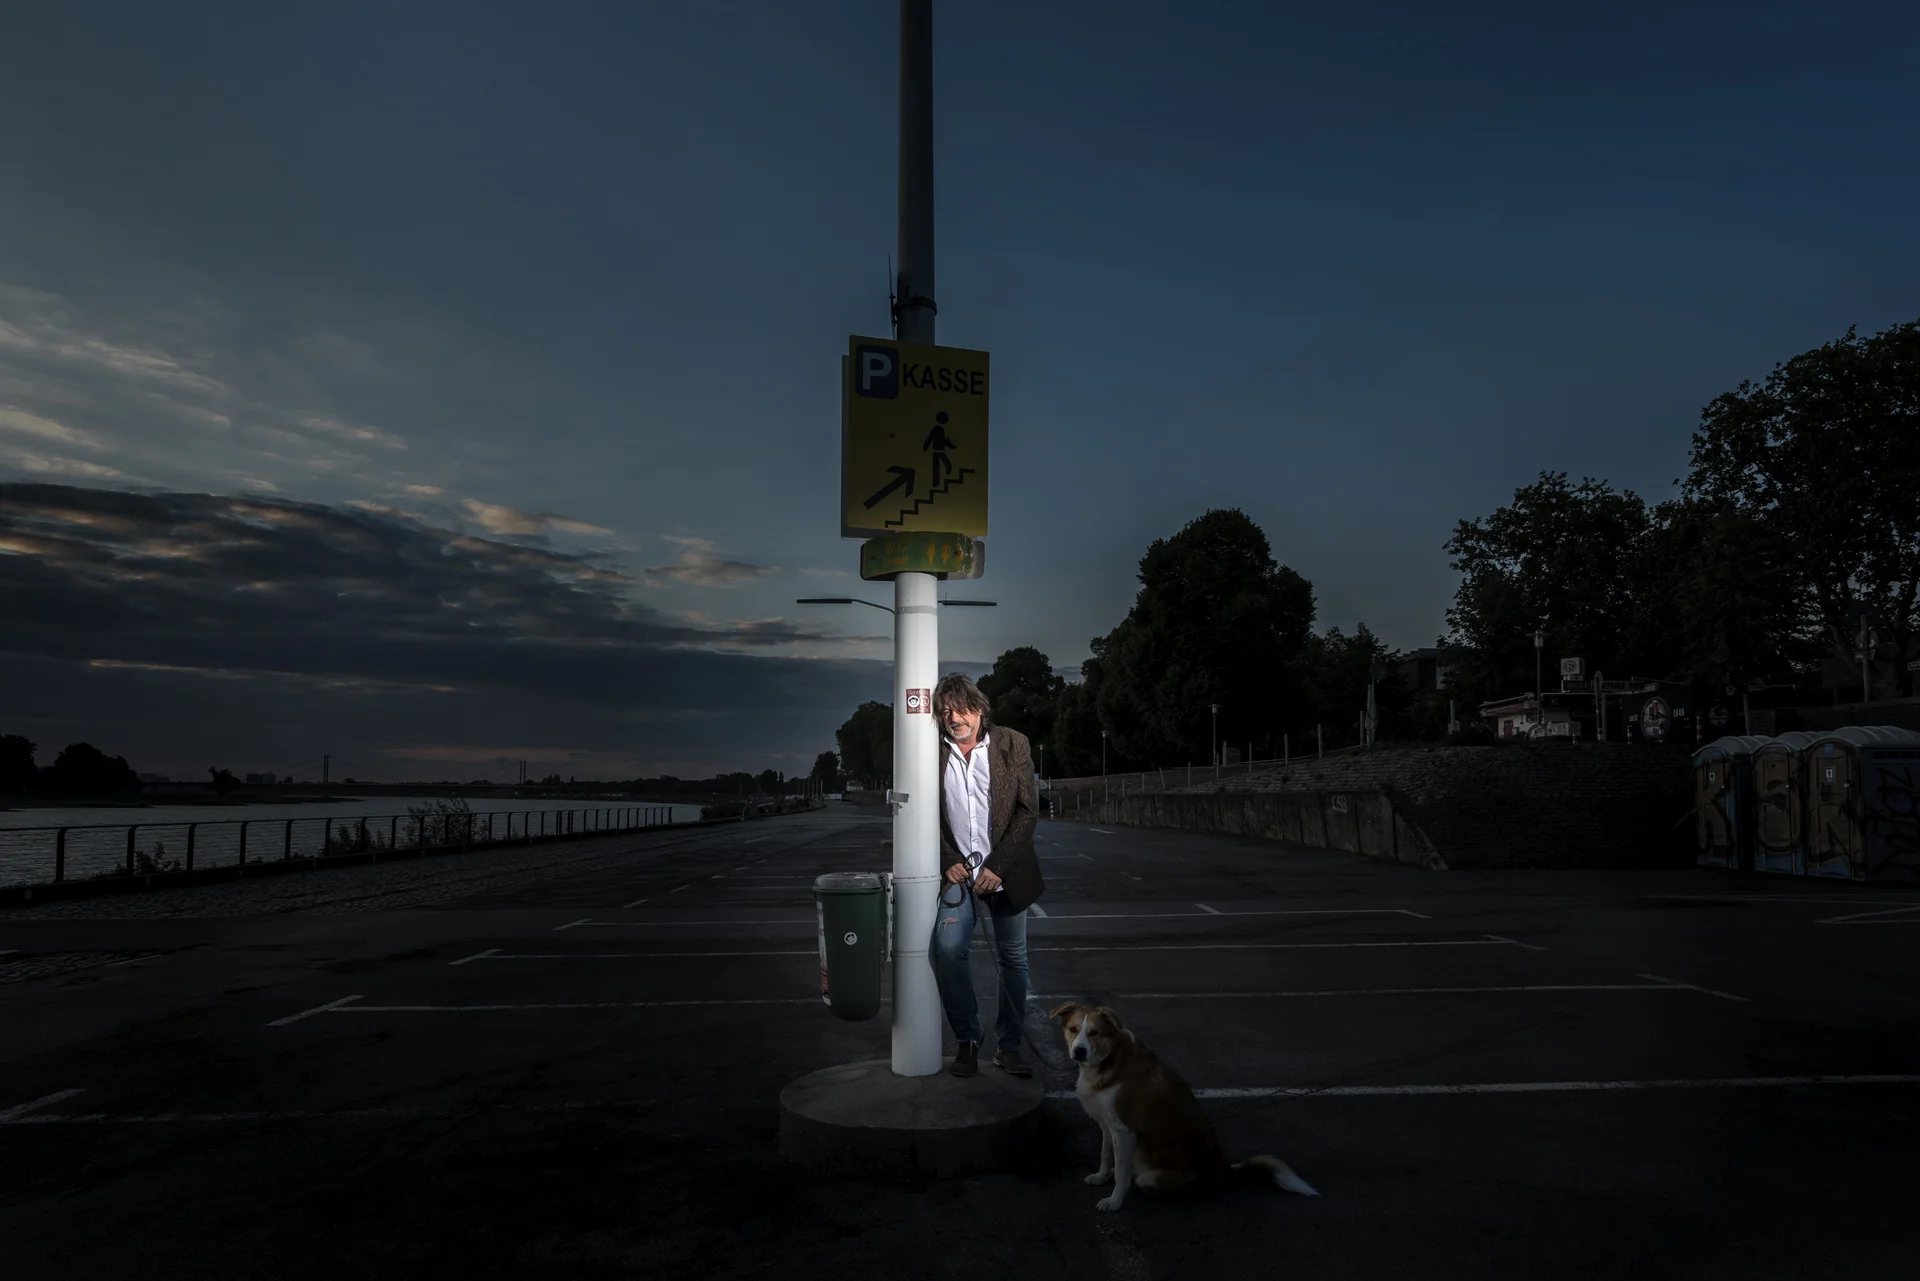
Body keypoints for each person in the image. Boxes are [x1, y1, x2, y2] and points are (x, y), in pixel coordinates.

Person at [929, 671, 1045, 1078]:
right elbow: (924, 816)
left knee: (1014, 960)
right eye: (945, 712)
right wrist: (946, 857)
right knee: (946, 950)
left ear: (979, 709)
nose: (953, 718)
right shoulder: (929, 753)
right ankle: (968, 1039)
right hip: (958, 876)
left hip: (1007, 872)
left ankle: (1009, 1047)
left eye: (960, 709)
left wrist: (998, 867)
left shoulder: (1013, 744)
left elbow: (1028, 811)